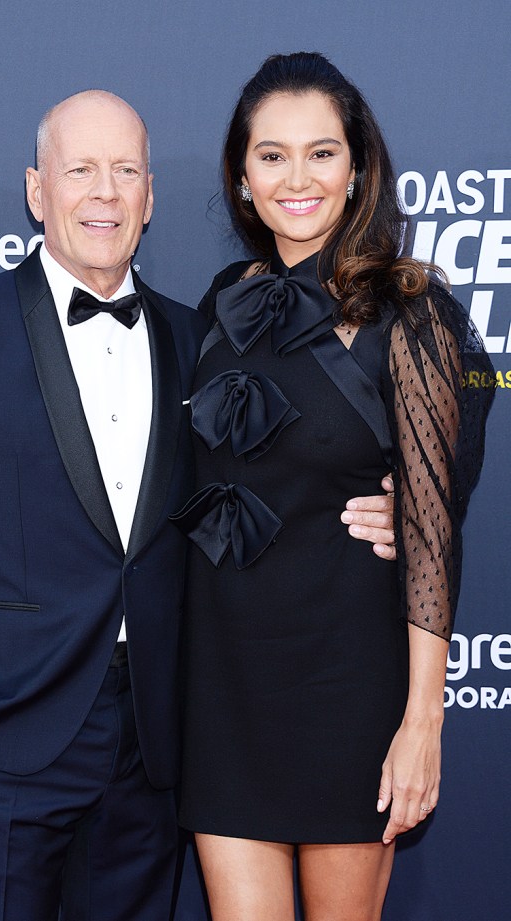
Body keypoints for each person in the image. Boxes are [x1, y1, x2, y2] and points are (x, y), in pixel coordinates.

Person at [0, 89, 396, 921]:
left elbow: (261, 489)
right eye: (81, 170)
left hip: (152, 744)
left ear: (149, 198)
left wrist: (384, 507)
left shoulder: (201, 339)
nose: (104, 193)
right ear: (38, 191)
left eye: (126, 171)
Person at [172, 53, 495, 921]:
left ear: (358, 168)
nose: (297, 177)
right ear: (242, 177)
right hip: (226, 690)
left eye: (322, 152)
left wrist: (422, 723)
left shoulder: (411, 309)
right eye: (271, 155)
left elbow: (432, 535)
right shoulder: (220, 303)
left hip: (347, 692)